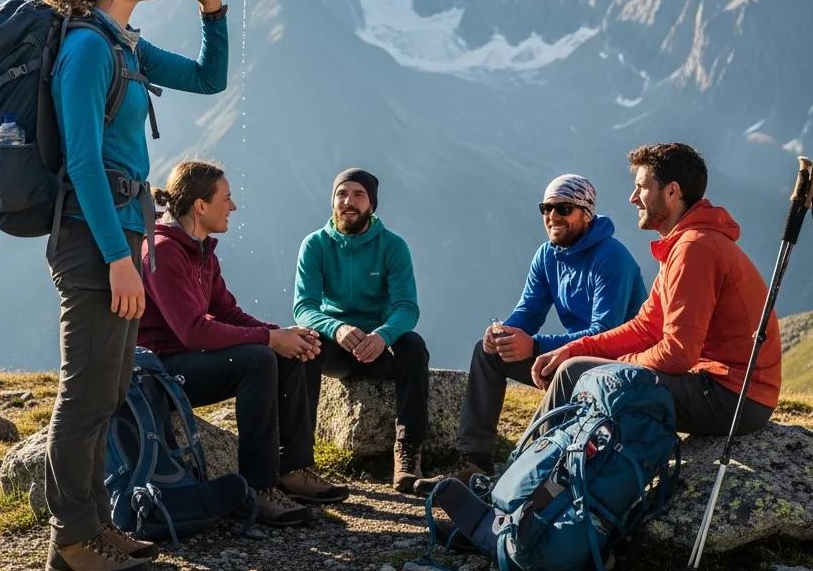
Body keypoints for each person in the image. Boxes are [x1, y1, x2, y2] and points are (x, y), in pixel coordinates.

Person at [41, 0, 230, 571]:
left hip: (123, 237)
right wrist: (117, 260)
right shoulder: (87, 49)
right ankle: (70, 542)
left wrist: (212, 10)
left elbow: (209, 79)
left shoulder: (127, 46)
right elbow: (83, 162)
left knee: (111, 387)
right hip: (92, 240)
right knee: (84, 392)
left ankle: (97, 525)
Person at [137, 160, 350, 526]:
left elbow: (227, 312)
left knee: (287, 354)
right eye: (226, 198)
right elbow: (192, 331)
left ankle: (293, 470)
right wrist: (269, 339)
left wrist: (284, 335)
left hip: (187, 362)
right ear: (200, 206)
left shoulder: (201, 250)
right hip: (161, 375)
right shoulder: (162, 250)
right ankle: (259, 487)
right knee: (258, 359)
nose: (233, 206)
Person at [414, 174, 646, 496]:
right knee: (487, 354)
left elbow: (605, 334)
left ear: (586, 214)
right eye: (546, 208)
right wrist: (505, 334)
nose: (552, 216)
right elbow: (529, 311)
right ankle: (474, 464)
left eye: (563, 208)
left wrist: (535, 345)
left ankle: (521, 478)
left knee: (565, 369)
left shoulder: (612, 258)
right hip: (571, 358)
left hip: (613, 369)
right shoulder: (547, 255)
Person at [531, 143, 781, 436]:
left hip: (733, 398)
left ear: (672, 192)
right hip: (727, 389)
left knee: (576, 373)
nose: (633, 197)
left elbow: (678, 354)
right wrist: (575, 349)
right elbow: (646, 327)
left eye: (642, 187)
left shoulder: (694, 248)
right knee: (577, 366)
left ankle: (537, 465)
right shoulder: (685, 244)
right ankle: (545, 459)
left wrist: (617, 365)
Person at [294, 168, 429, 493]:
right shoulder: (315, 245)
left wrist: (383, 336)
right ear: (332, 201)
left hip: (378, 347)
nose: (348, 202)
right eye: (341, 194)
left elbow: (407, 307)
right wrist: (336, 328)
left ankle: (407, 454)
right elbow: (304, 307)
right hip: (336, 346)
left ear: (372, 204)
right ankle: (299, 462)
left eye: (358, 195)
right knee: (305, 343)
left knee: (413, 346)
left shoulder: (392, 246)